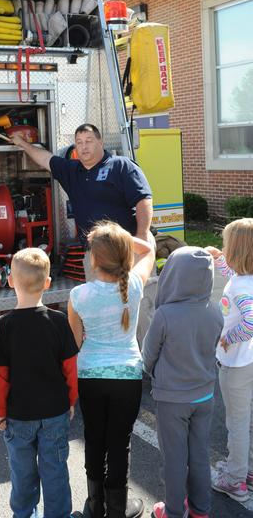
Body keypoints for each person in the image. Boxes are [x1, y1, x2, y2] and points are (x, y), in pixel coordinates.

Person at [67, 221, 155, 518]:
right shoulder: (134, 285)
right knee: (120, 443)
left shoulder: (78, 295)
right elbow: (149, 250)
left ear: (93, 257)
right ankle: (118, 508)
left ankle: (96, 505)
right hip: (128, 376)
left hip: (90, 374)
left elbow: (76, 342)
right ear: (123, 253)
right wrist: (121, 238)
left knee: (94, 437)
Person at [0, 248, 81, 518]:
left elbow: (0, 375)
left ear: (9, 281)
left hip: (18, 415)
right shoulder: (58, 321)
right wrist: (71, 401)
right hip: (55, 411)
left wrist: (1, 411)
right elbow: (70, 368)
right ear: (48, 283)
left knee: (22, 473)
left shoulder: (3, 326)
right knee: (55, 471)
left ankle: (23, 514)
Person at [10, 123, 153, 279]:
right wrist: (22, 143)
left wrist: (142, 236)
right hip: (95, 255)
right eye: (79, 142)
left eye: (89, 141)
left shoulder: (120, 165)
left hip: (127, 248)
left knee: (133, 299)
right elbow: (45, 159)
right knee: (100, 301)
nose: (84, 146)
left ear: (100, 142)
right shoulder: (72, 171)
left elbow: (143, 200)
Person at [142, 246, 223, 518]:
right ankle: (201, 509)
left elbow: (148, 355)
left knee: (175, 459)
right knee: (199, 454)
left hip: (172, 399)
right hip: (205, 395)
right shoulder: (214, 311)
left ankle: (174, 511)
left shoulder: (166, 314)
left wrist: (154, 373)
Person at [206, 218, 253, 503]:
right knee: (247, 420)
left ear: (235, 249)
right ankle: (246, 469)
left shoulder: (240, 288)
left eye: (226, 246)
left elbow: (251, 321)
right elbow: (233, 273)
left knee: (237, 422)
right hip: (247, 361)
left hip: (235, 365)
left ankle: (235, 480)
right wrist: (218, 258)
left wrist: (228, 338)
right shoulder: (244, 278)